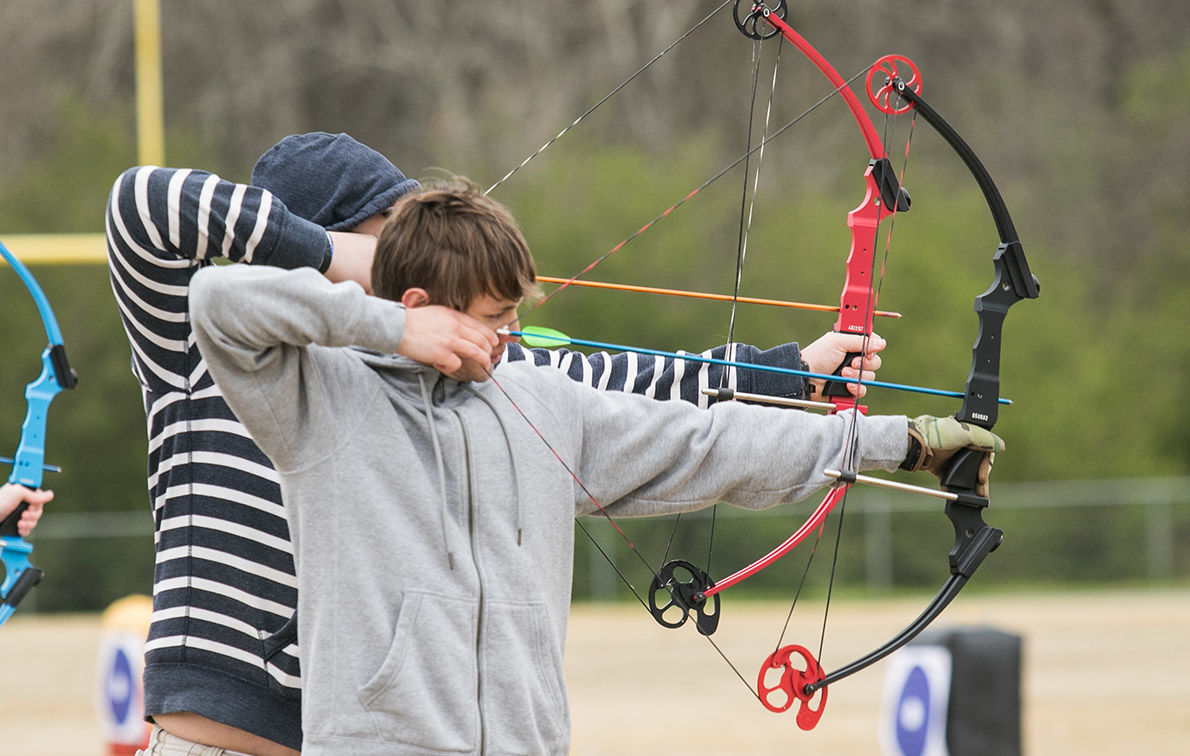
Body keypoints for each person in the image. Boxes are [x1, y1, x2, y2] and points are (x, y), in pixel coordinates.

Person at [108, 132, 882, 755]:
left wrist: (791, 373)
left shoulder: (438, 368)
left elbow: (609, 385)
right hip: (220, 737)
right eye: (392, 234)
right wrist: (359, 274)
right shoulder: (196, 345)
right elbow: (143, 207)